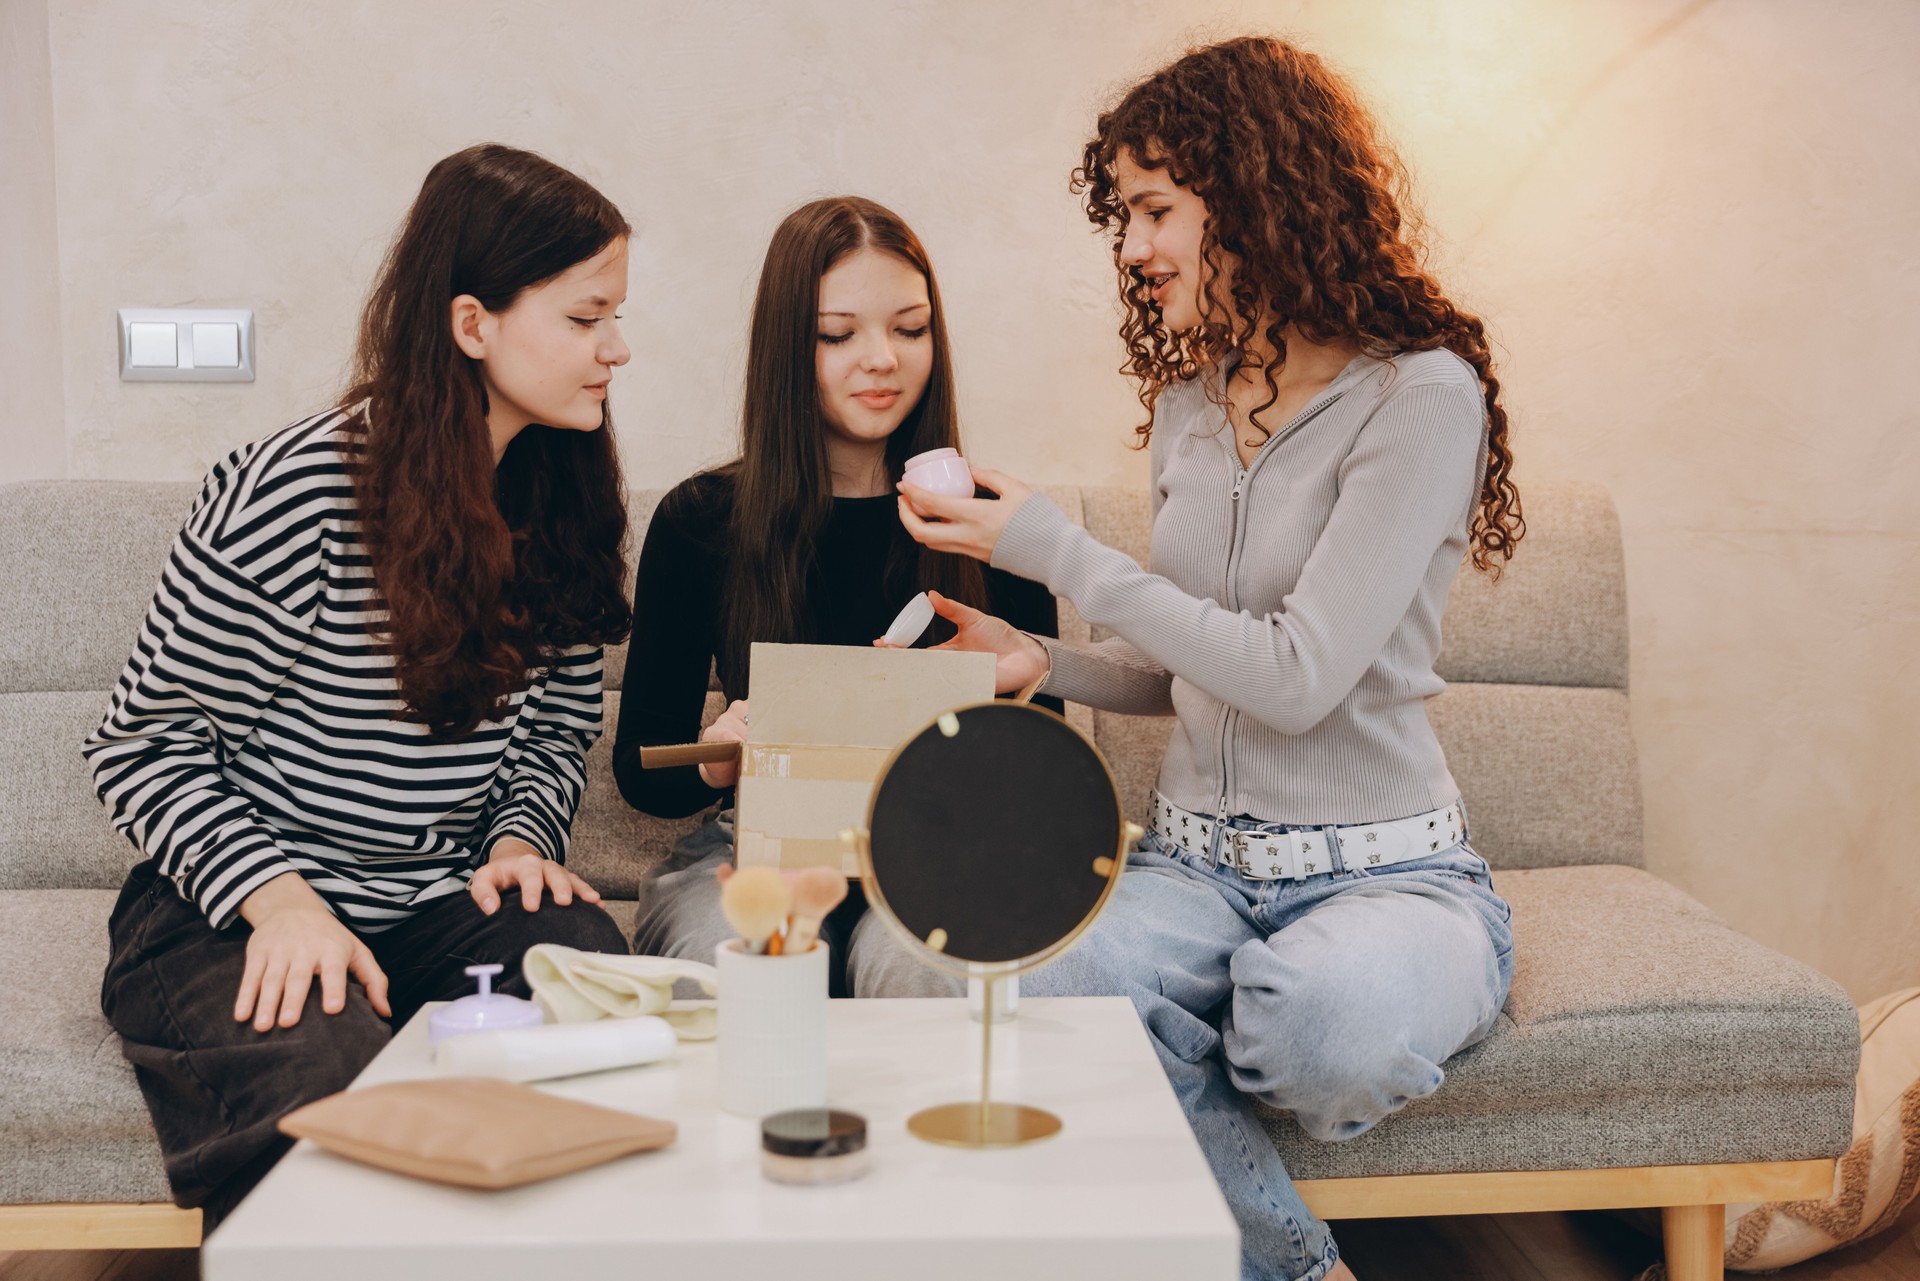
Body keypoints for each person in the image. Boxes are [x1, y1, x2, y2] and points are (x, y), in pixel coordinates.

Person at [894, 38, 1523, 1281]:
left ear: (1258, 194)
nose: (1131, 248)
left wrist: (1061, 552)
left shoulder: (1422, 398)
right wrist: (1042, 662)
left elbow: (1296, 675)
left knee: (1317, 1025)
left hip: (1385, 877)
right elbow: (1191, 664)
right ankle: (1298, 1268)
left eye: (1154, 211)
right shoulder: (1191, 403)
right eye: (1125, 216)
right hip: (1191, 869)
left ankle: (1279, 1000)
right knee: (1021, 980)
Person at [86, 144, 635, 1222]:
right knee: (333, 1084)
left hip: (432, 896)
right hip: (234, 903)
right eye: (584, 319)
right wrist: (285, 904)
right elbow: (142, 744)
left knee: (594, 990)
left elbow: (555, 727)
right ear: (473, 324)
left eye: (617, 314)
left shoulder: (558, 493)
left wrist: (520, 847)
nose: (618, 348)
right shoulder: (296, 491)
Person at [613, 195, 1057, 997]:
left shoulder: (998, 523)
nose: (882, 358)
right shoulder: (700, 521)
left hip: (940, 848)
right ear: (788, 344)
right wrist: (720, 754)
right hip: (758, 841)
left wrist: (1005, 698)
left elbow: (1043, 765)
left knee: (924, 970)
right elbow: (643, 772)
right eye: (836, 334)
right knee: (736, 958)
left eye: (910, 329)